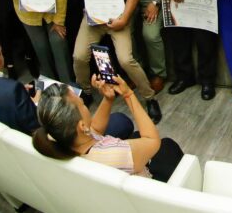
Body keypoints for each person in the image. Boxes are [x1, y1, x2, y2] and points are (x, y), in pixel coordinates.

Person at [33, 73, 182, 181]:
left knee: (136, 135)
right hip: (143, 191)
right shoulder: (114, 154)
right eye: (82, 104)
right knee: (168, 145)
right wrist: (129, 95)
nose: (85, 105)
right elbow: (152, 140)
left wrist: (108, 99)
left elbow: (95, 130)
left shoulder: (62, 139)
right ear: (82, 126)